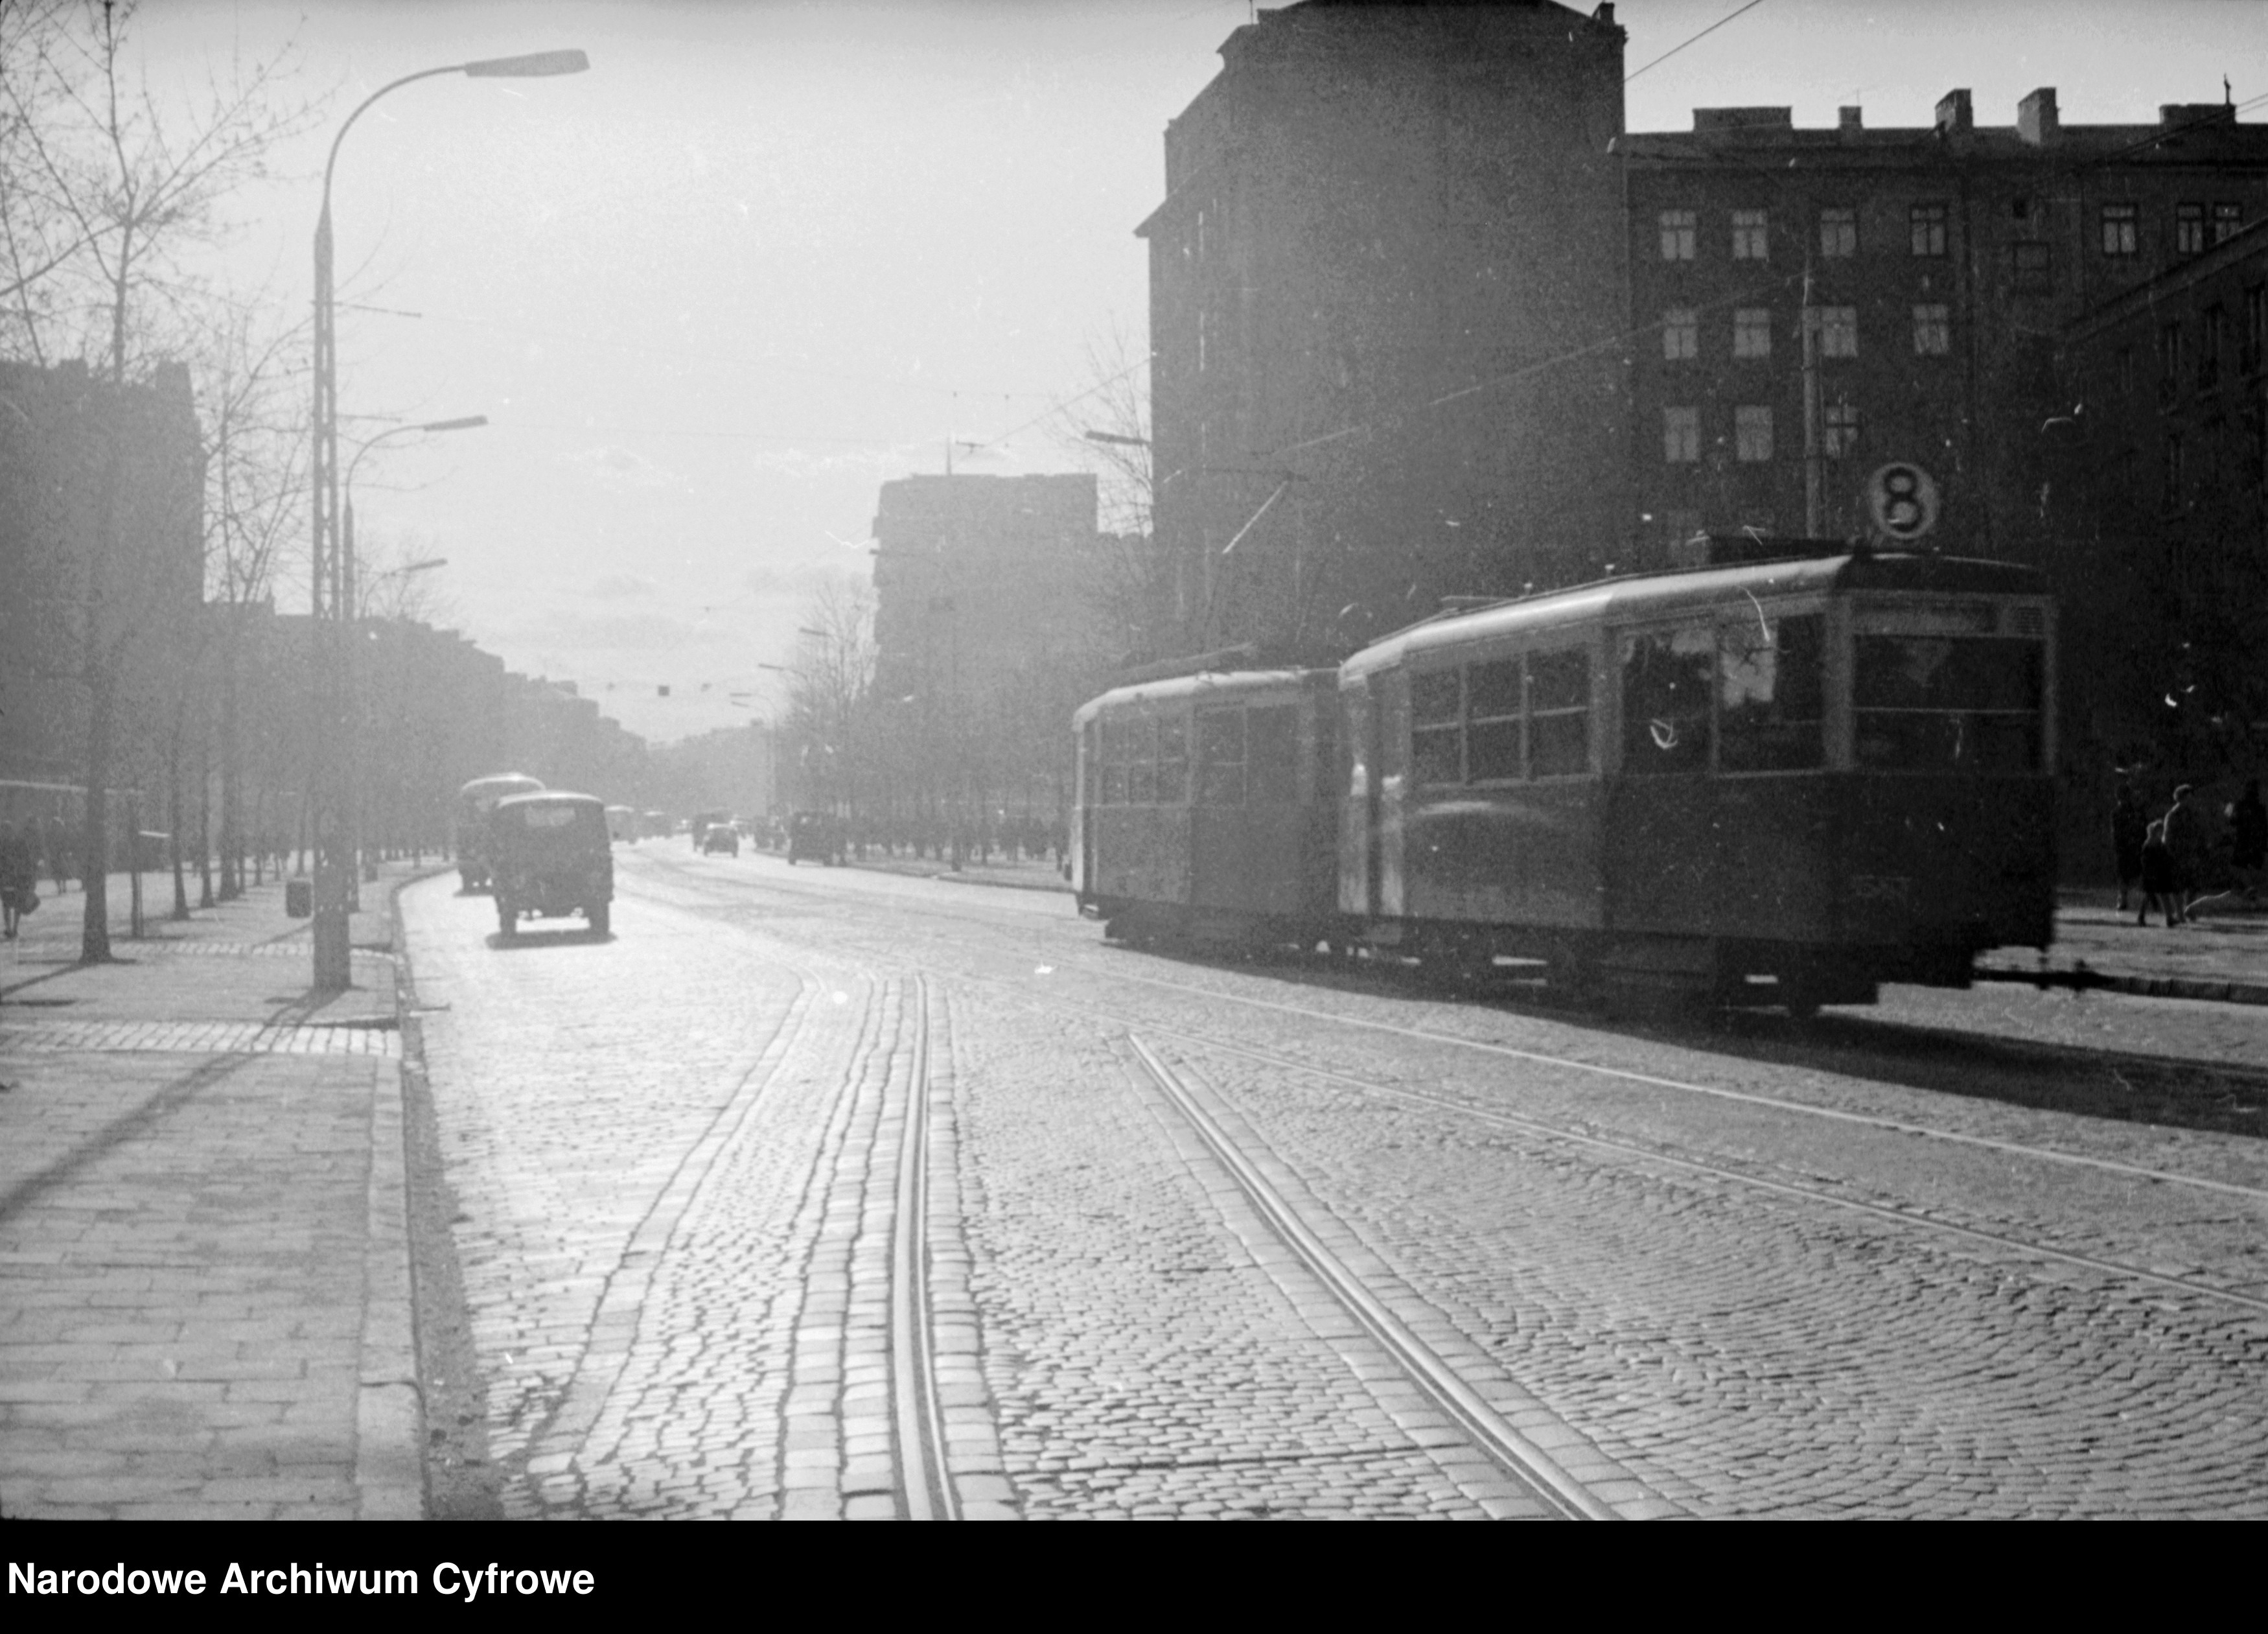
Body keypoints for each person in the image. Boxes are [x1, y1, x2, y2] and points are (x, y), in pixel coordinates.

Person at [2162, 783, 2208, 923]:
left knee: (2193, 885)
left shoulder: (2194, 814)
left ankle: (2190, 910)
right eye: (2188, 797)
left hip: (2192, 854)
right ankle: (2180, 913)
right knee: (2178, 887)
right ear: (2180, 798)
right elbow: (2168, 837)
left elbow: (2200, 833)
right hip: (2178, 855)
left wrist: (2201, 849)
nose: (2191, 800)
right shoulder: (2173, 815)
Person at [2110, 780, 2147, 912]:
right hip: (2130, 846)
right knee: (2129, 875)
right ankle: (2126, 900)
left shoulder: (2120, 812)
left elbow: (2117, 832)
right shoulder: (2133, 811)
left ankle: (2125, 900)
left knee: (2125, 875)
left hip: (2127, 847)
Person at [2138, 817, 2179, 928]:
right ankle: (2141, 917)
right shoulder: (2149, 845)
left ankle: (2169, 918)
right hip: (2151, 875)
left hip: (2161, 874)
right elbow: (2146, 861)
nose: (2161, 833)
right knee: (2148, 896)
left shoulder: (2160, 844)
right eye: (2160, 831)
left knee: (2164, 895)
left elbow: (2166, 858)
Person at [0, 820, 38, 940]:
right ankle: (10, 929)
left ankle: (13, 929)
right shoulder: (11, 843)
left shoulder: (19, 843)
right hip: (9, 878)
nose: (4, 832)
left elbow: (27, 860)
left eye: (5, 830)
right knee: (9, 904)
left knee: (16, 904)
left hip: (15, 878)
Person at [2231, 778, 2267, 902]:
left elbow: (2233, 821)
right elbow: (2264, 826)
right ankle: (2251, 888)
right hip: (2256, 842)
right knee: (2252, 865)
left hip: (2243, 841)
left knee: (2239, 866)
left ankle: (2250, 888)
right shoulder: (2260, 808)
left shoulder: (2240, 805)